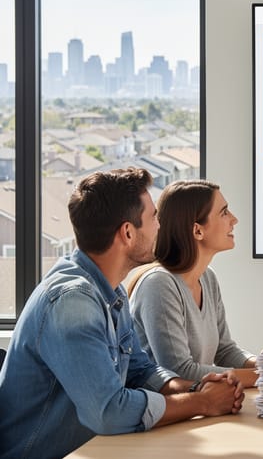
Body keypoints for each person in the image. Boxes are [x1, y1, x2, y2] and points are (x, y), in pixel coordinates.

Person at [0, 168, 244, 459]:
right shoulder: (72, 302)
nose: (160, 226)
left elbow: (140, 371)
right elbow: (109, 412)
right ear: (128, 233)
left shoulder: (111, 292)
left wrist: (196, 386)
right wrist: (201, 402)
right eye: (154, 217)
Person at [129, 179, 258, 387]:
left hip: (199, 408)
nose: (234, 220)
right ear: (197, 231)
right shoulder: (159, 285)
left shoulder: (207, 278)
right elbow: (179, 371)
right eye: (224, 212)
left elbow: (224, 351)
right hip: (170, 414)